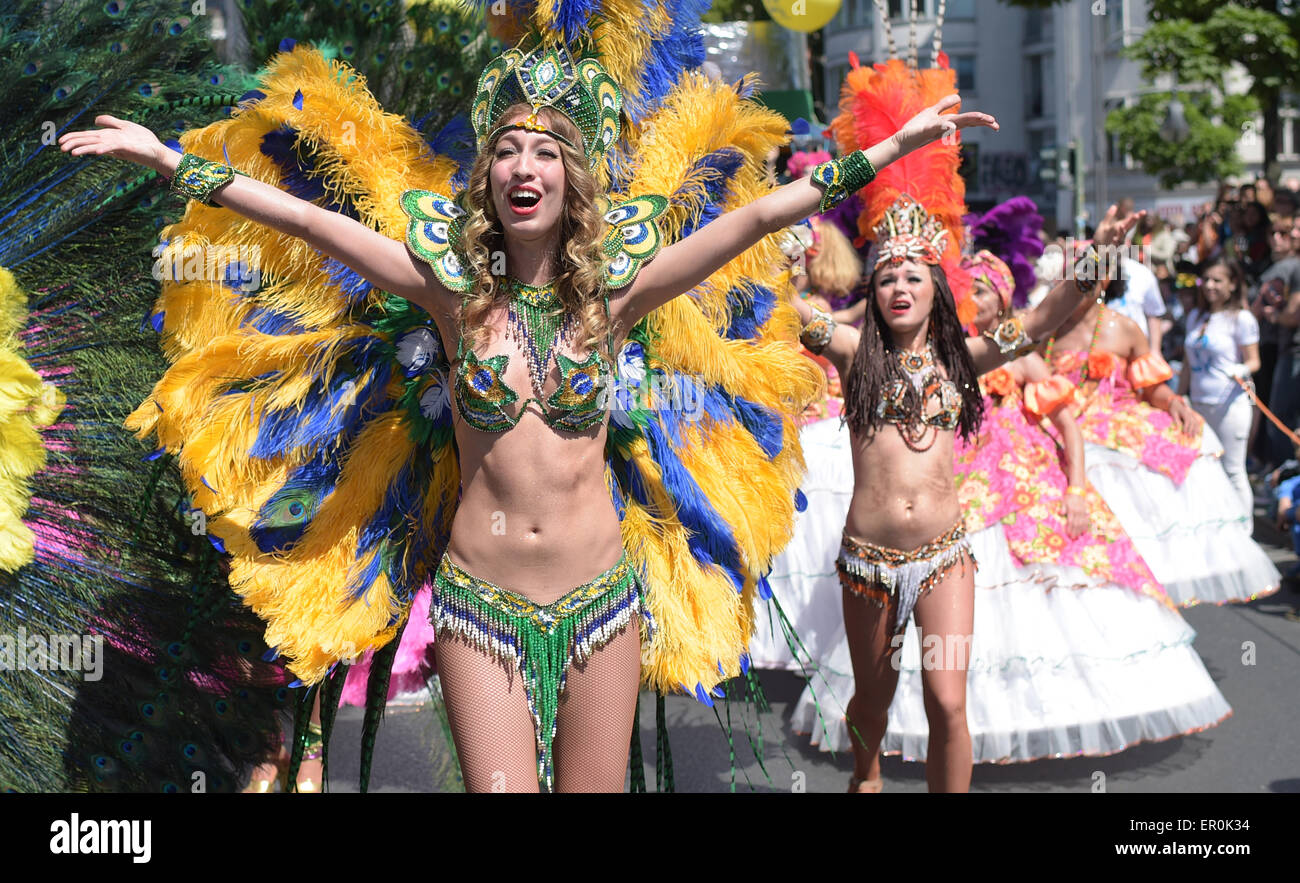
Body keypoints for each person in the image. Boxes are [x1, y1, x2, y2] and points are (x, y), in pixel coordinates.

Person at [61, 31, 996, 790]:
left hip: (602, 601)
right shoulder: (450, 291)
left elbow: (749, 222)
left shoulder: (616, 297)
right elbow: (313, 223)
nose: (522, 164)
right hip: (482, 604)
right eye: (506, 147)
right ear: (489, 177)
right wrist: (170, 158)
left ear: (570, 179)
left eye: (544, 151)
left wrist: (885, 152)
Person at [791, 250, 1231, 764]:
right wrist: (757, 242)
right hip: (870, 564)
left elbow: (1042, 318)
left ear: (936, 290)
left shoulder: (964, 358)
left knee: (948, 703)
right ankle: (865, 777)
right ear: (876, 295)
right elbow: (789, 307)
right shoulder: (853, 351)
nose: (899, 286)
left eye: (913, 276)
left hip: (944, 563)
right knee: (872, 700)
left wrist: (1097, 257)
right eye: (886, 278)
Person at [1041, 255, 1281, 605]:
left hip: (1116, 418)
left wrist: (1173, 403)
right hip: (1060, 423)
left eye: (1089, 277)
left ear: (1104, 283)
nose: (1079, 284)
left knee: (1179, 445)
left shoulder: (1124, 328)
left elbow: (1152, 386)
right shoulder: (1045, 327)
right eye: (1073, 277)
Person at [1179, 258, 1261, 518]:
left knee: (1233, 468)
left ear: (1233, 284)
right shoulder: (1196, 316)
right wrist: (1180, 394)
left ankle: (1244, 529)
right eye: (1207, 280)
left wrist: (1242, 369)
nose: (1210, 286)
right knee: (1204, 466)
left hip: (1230, 405)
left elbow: (1254, 360)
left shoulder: (1242, 318)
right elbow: (1187, 363)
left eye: (1218, 280)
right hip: (1199, 403)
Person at [1257, 224, 1300, 467]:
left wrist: (1273, 315)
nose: (1293, 235)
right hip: (1288, 351)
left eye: (1295, 230)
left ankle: (1288, 476)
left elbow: (1293, 315)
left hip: (1295, 353)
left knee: (1280, 420)